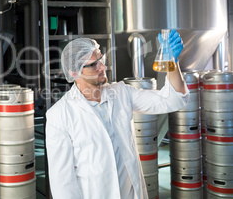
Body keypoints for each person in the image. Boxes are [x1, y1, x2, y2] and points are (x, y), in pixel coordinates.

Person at [45, 30, 189, 199]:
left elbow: (173, 99)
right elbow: (63, 183)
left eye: (101, 59)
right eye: (93, 64)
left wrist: (172, 62)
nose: (103, 67)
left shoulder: (121, 93)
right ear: (74, 72)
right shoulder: (59, 115)